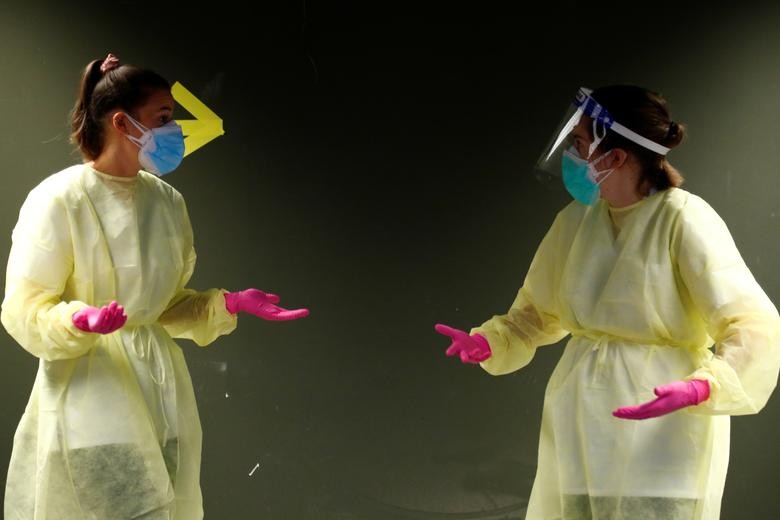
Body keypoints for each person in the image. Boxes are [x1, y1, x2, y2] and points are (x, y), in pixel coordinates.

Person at [435, 85, 780, 519]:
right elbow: (537, 313)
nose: (572, 154)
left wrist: (701, 386)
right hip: (581, 423)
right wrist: (492, 341)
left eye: (580, 144)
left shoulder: (683, 219)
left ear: (616, 156)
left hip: (661, 428)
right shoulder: (575, 222)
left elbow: (752, 324)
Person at [1, 53, 309, 519]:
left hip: (162, 399)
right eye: (163, 118)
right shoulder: (59, 200)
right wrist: (79, 320)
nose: (175, 130)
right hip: (91, 403)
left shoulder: (166, 203)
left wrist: (226, 304)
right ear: (122, 122)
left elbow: (160, 308)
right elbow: (23, 309)